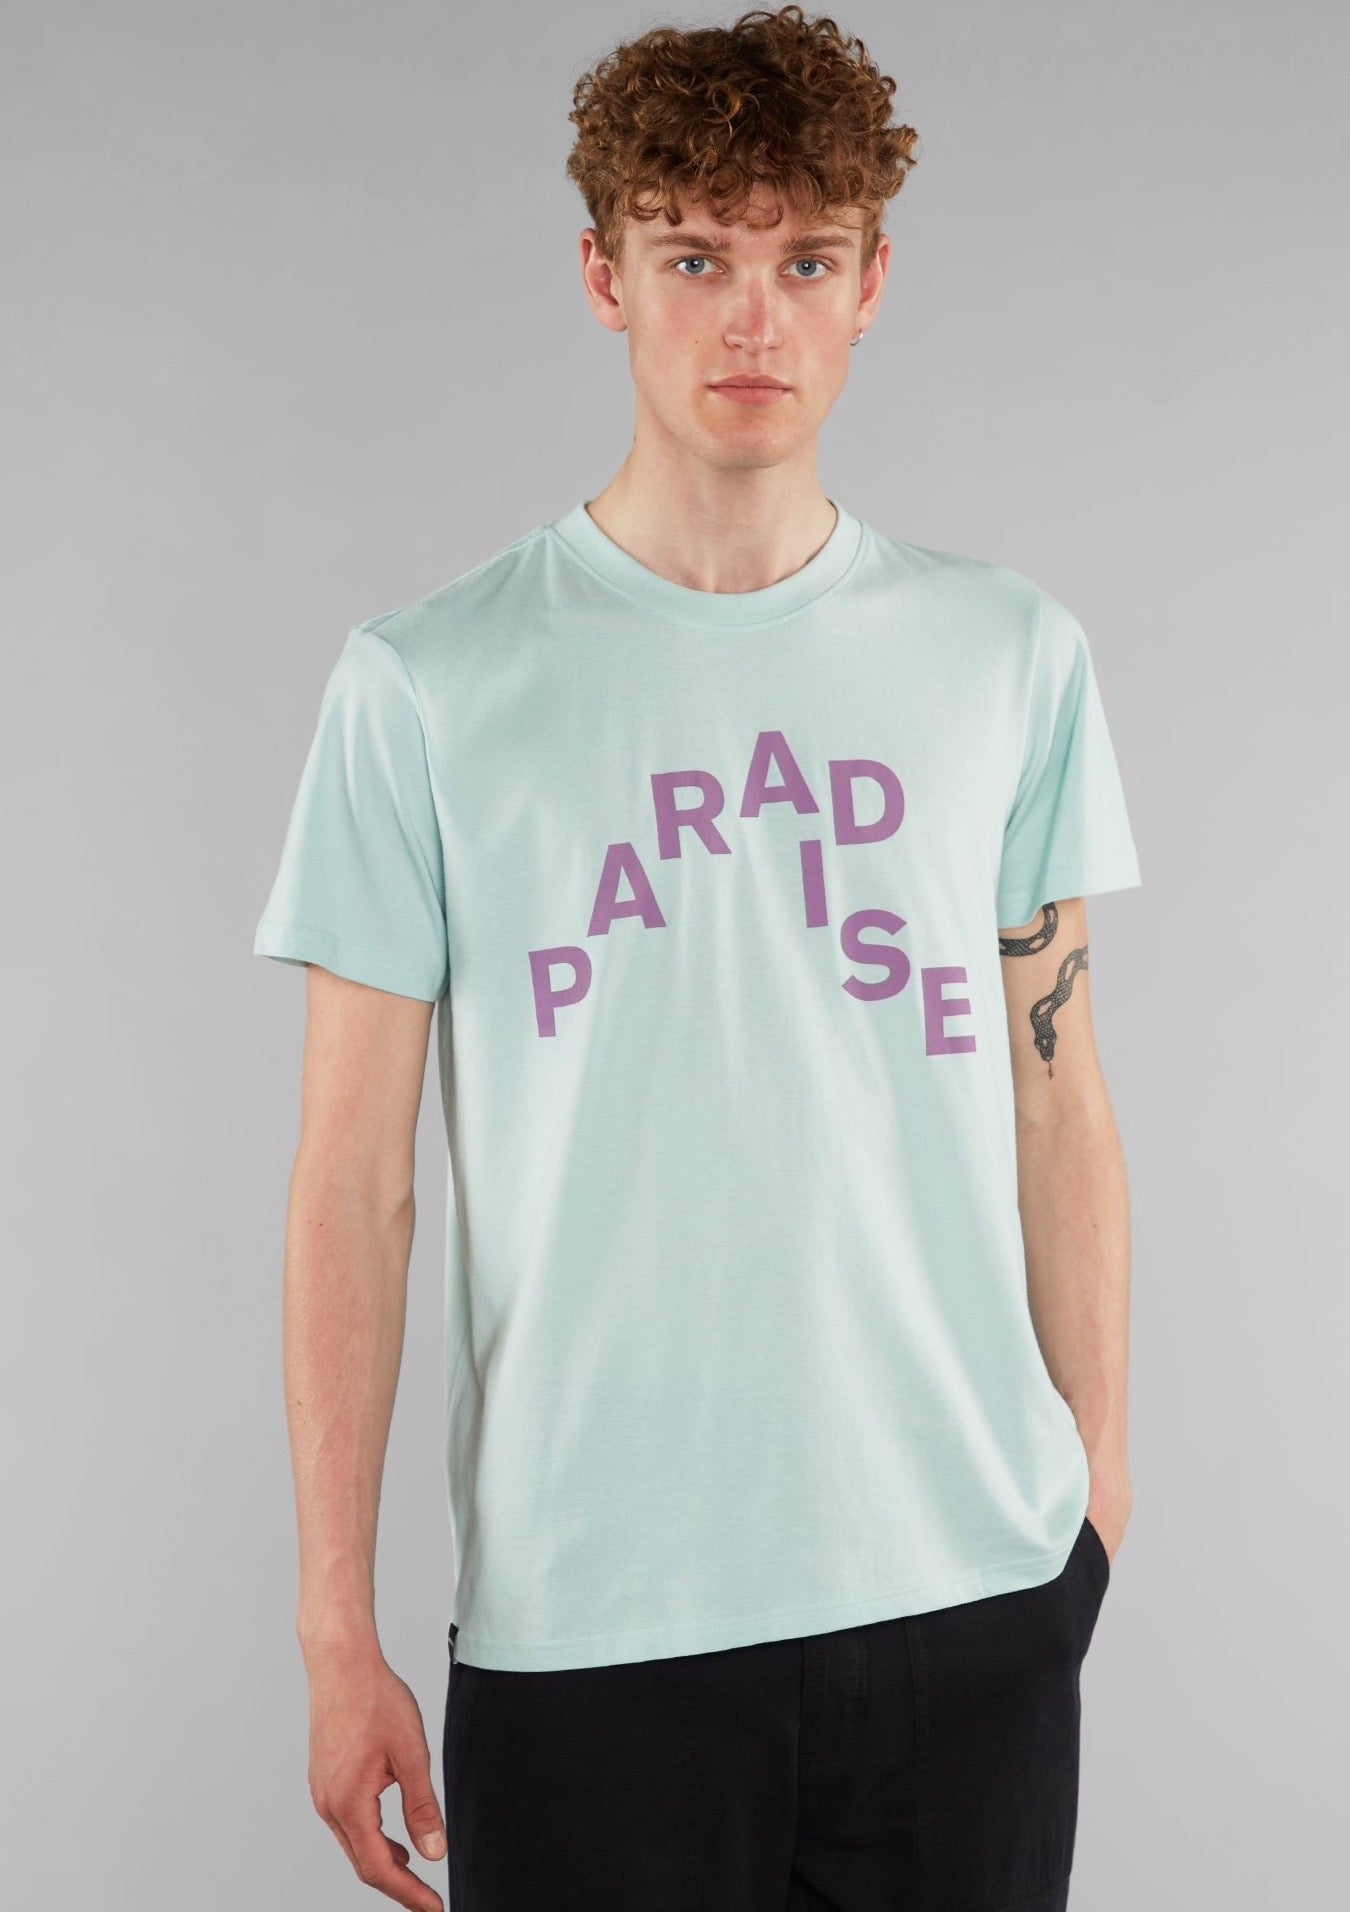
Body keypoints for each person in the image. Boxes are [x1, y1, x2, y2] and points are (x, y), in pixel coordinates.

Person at [253, 7, 1141, 1908]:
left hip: (969, 1603)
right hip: (594, 1628)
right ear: (603, 277)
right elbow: (352, 1183)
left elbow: (1058, 1097)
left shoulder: (1008, 656)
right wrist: (336, 1622)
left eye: (804, 261)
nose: (754, 320)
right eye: (693, 258)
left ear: (872, 284)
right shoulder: (427, 683)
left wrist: (1096, 1490)